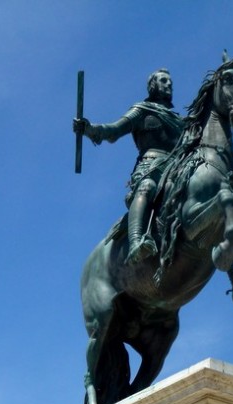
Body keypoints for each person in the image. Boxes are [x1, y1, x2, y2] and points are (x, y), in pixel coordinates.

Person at [73, 69, 184, 264]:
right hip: (151, 166)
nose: (169, 84)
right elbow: (114, 130)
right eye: (164, 80)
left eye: (170, 81)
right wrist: (90, 129)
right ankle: (136, 243)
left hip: (176, 169)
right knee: (147, 187)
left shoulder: (180, 121)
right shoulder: (143, 110)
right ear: (153, 86)